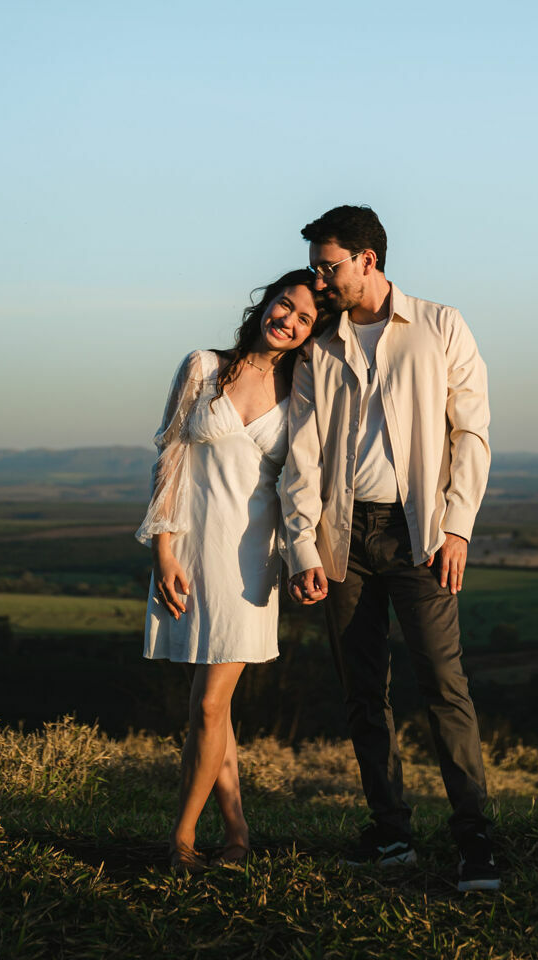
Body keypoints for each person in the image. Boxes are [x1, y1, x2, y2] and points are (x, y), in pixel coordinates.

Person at [280, 205, 500, 892]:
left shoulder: (441, 325)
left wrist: (458, 527)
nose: (320, 281)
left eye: (329, 267)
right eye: (317, 269)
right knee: (361, 692)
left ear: (367, 260)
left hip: (421, 537)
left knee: (444, 686)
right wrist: (302, 548)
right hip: (341, 539)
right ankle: (391, 833)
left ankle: (475, 840)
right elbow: (302, 456)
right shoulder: (320, 345)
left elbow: (472, 433)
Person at [136, 269, 319, 870]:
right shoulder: (203, 367)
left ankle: (182, 839)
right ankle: (237, 835)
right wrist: (163, 550)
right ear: (265, 303)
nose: (288, 321)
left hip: (250, 558)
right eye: (284, 305)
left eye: (304, 319)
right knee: (210, 707)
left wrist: (304, 556)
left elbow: (303, 483)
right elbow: (169, 455)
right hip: (191, 550)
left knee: (211, 705)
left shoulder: (302, 394)